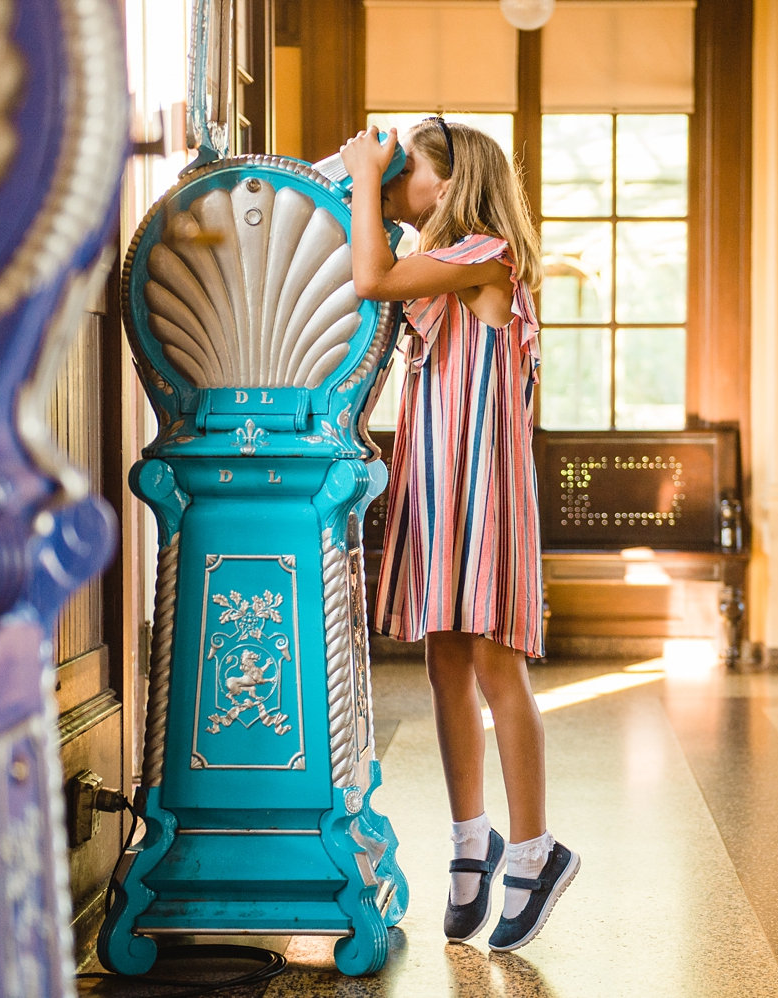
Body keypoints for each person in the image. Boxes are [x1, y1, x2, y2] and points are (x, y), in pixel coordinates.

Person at [340, 119, 579, 953]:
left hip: (482, 485)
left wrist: (366, 175)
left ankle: (536, 848)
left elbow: (370, 277)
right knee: (445, 665)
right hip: (439, 478)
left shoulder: (488, 256)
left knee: (491, 661)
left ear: (444, 184)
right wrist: (367, 186)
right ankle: (469, 839)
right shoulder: (441, 265)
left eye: (409, 167)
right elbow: (385, 259)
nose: (396, 175)